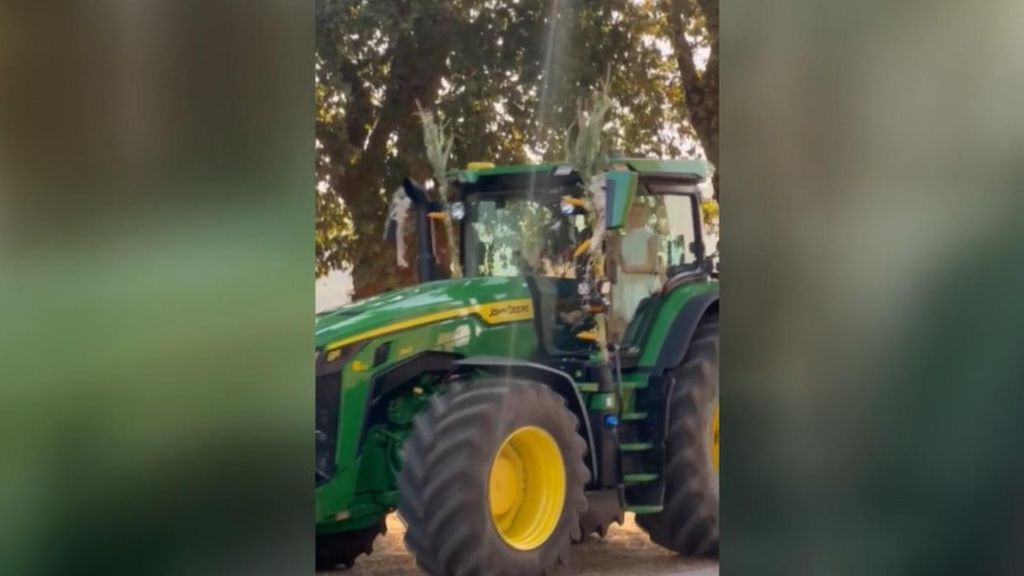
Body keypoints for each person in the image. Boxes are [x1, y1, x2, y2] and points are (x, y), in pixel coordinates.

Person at [610, 202, 661, 332]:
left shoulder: (650, 237)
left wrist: (628, 269)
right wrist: (617, 259)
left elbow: (651, 265)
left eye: (638, 214)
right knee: (624, 319)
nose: (635, 217)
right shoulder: (623, 239)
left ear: (644, 216)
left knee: (638, 317)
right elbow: (617, 258)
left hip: (641, 283)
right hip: (625, 283)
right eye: (632, 214)